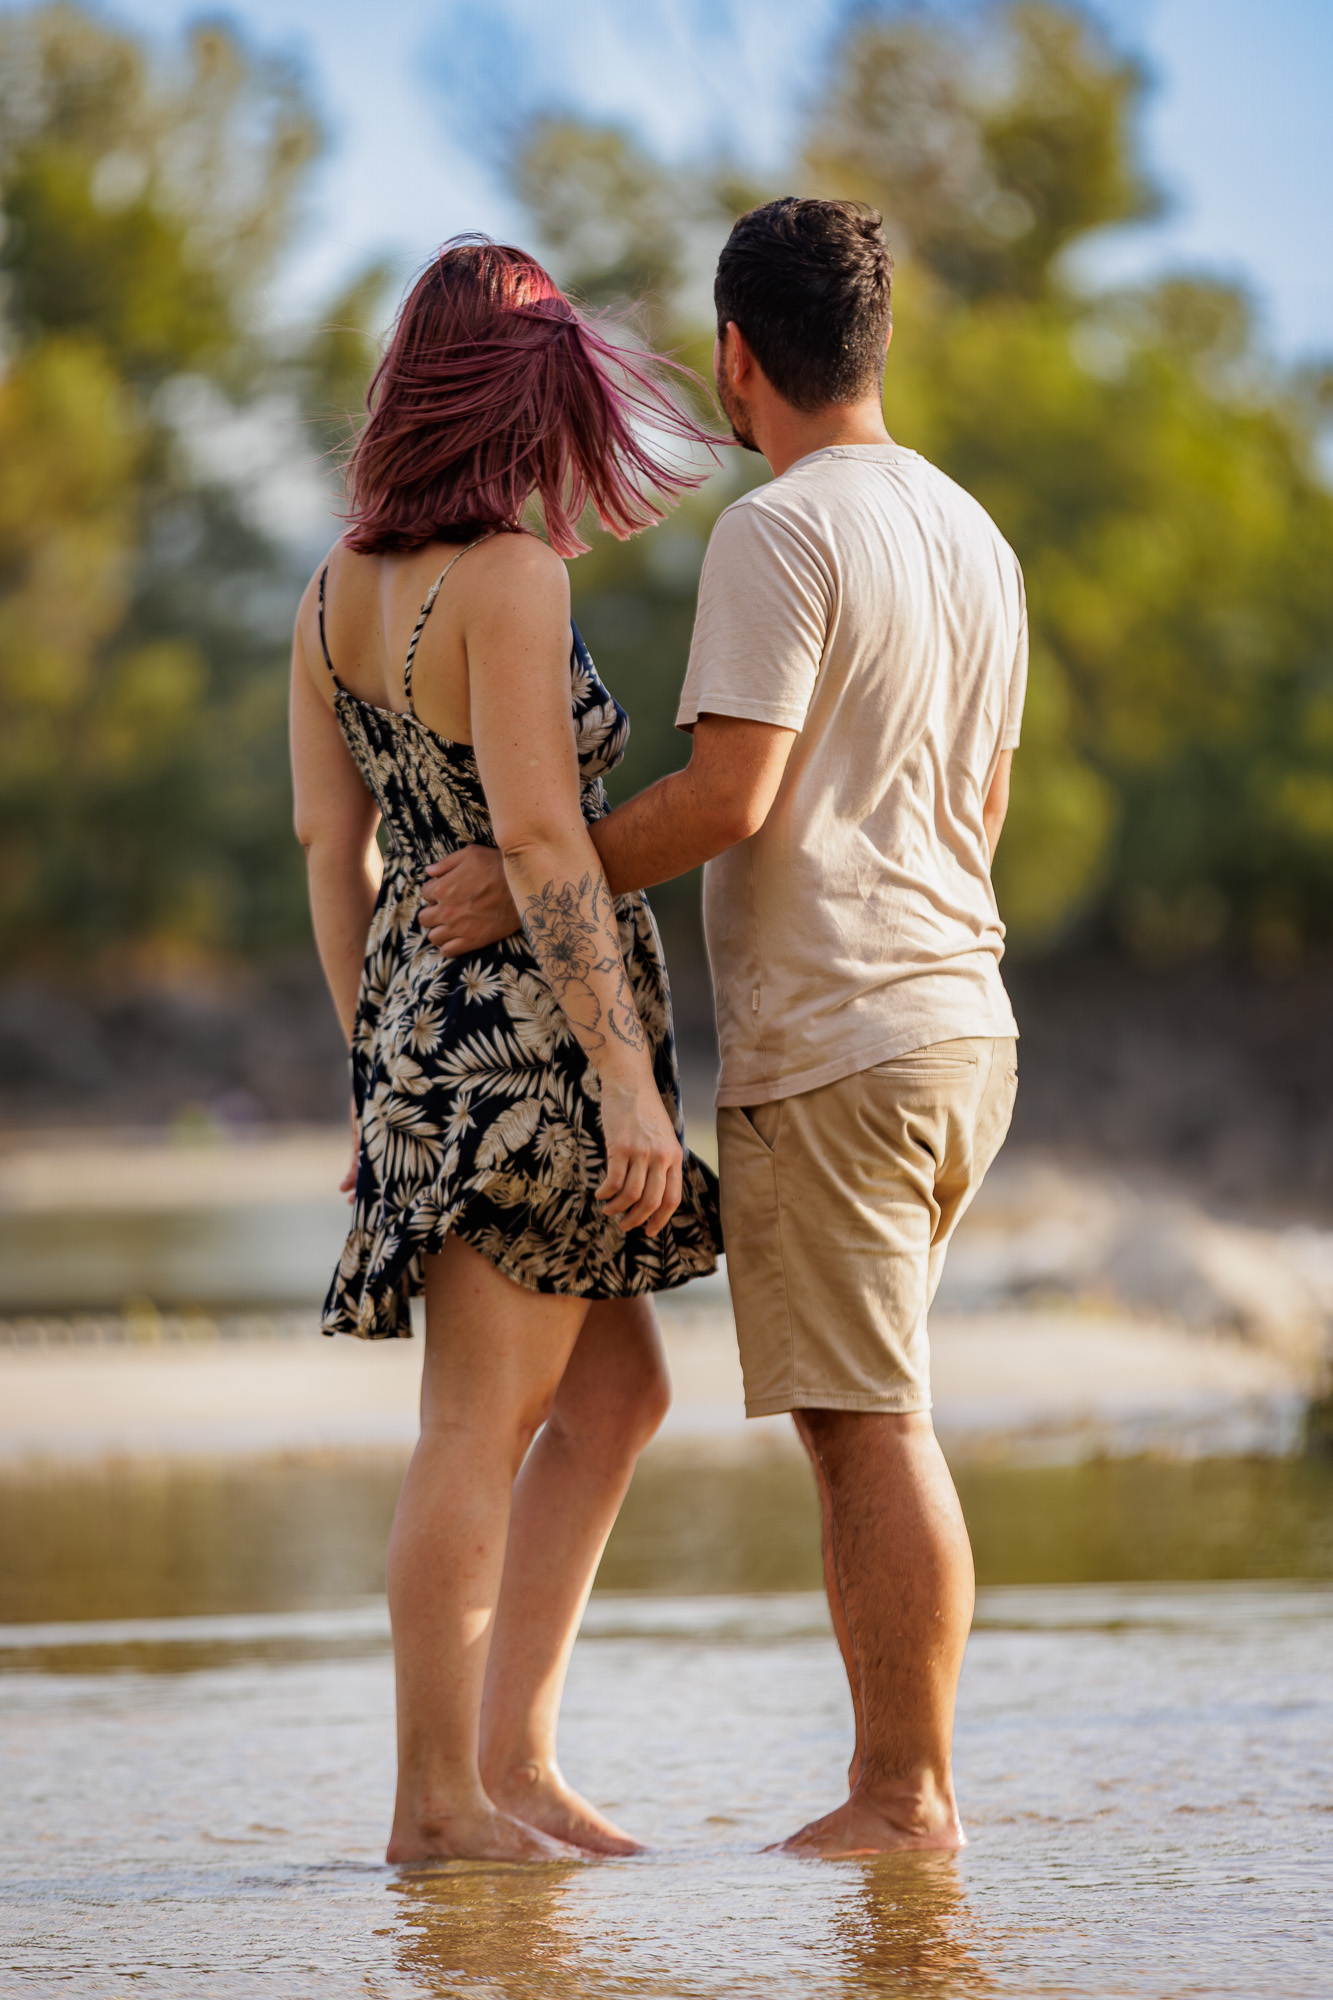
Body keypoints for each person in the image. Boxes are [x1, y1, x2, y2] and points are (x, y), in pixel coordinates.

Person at [419, 198, 1026, 1858]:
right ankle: (903, 1795)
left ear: (737, 357)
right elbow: (978, 800)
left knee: (865, 1423)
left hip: (840, 1035)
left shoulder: (781, 532)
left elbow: (729, 796)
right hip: (965, 1025)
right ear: (875, 345)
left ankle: (900, 1797)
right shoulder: (973, 533)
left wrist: (527, 877)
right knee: (881, 1404)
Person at [289, 238, 722, 1865]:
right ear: (513, 398)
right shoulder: (514, 578)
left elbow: (329, 856)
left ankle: (508, 1765)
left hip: (419, 1031)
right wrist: (626, 1084)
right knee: (476, 1426)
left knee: (611, 1394)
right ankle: (435, 1807)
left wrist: (374, 1070)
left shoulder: (329, 592)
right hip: (534, 1047)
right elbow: (545, 841)